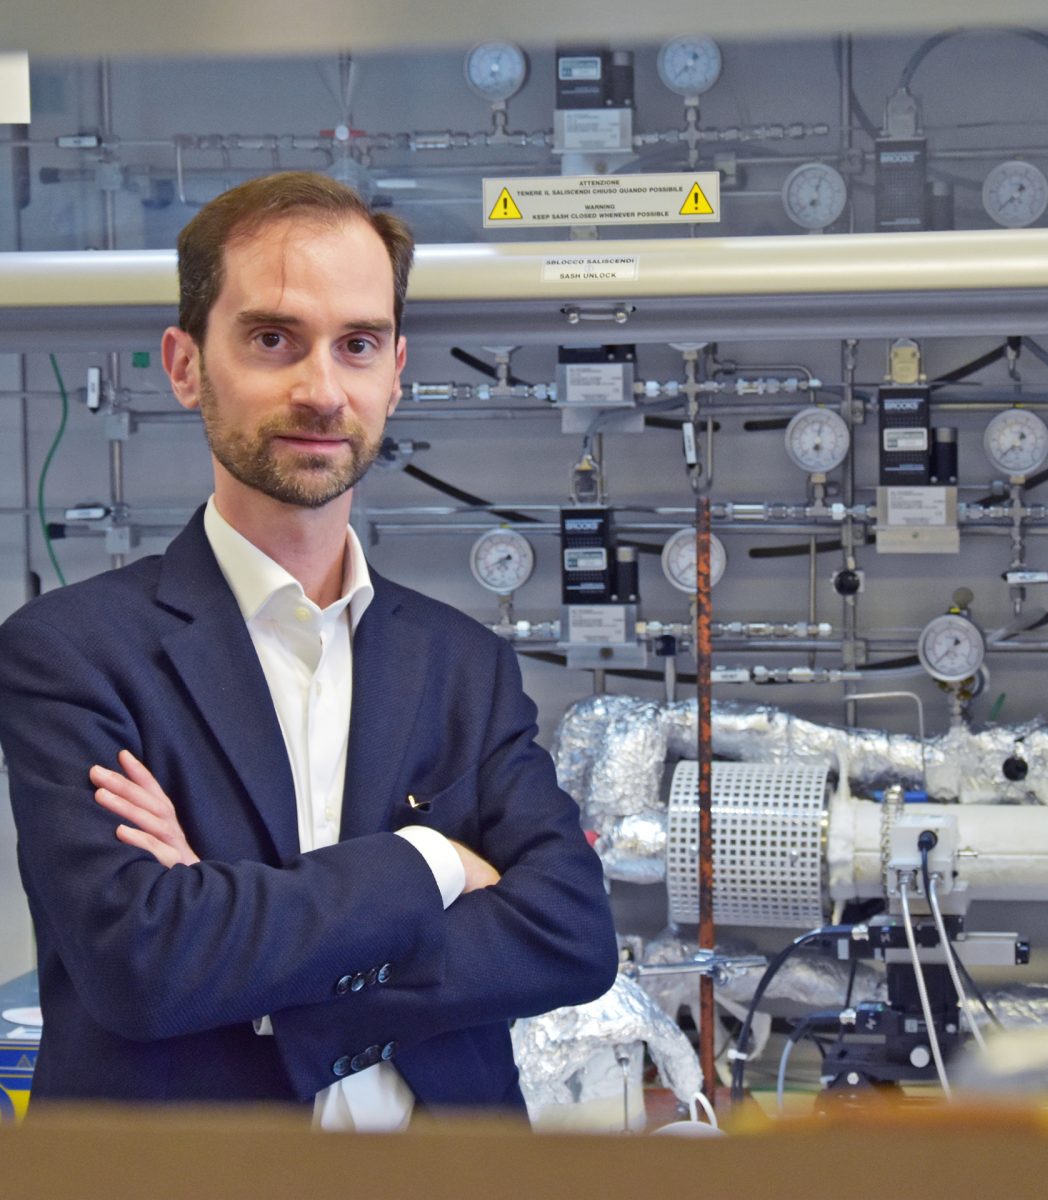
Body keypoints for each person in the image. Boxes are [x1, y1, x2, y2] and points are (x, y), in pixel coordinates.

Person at [0, 171, 617, 1125]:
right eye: (272, 339)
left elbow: (571, 934)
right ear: (184, 363)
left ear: (396, 372)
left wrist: (248, 953)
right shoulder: (71, 654)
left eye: (358, 345)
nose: (322, 389)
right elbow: (147, 965)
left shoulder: (463, 665)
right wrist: (437, 865)